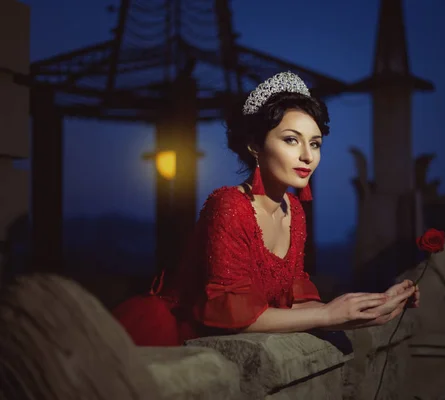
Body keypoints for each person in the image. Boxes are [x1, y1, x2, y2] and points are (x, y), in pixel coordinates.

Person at [113, 72, 419, 346]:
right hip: (175, 339)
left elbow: (294, 308)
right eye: (291, 140)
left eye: (315, 144)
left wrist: (374, 305)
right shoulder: (230, 206)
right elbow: (231, 318)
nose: (307, 156)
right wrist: (328, 314)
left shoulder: (294, 211)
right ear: (254, 146)